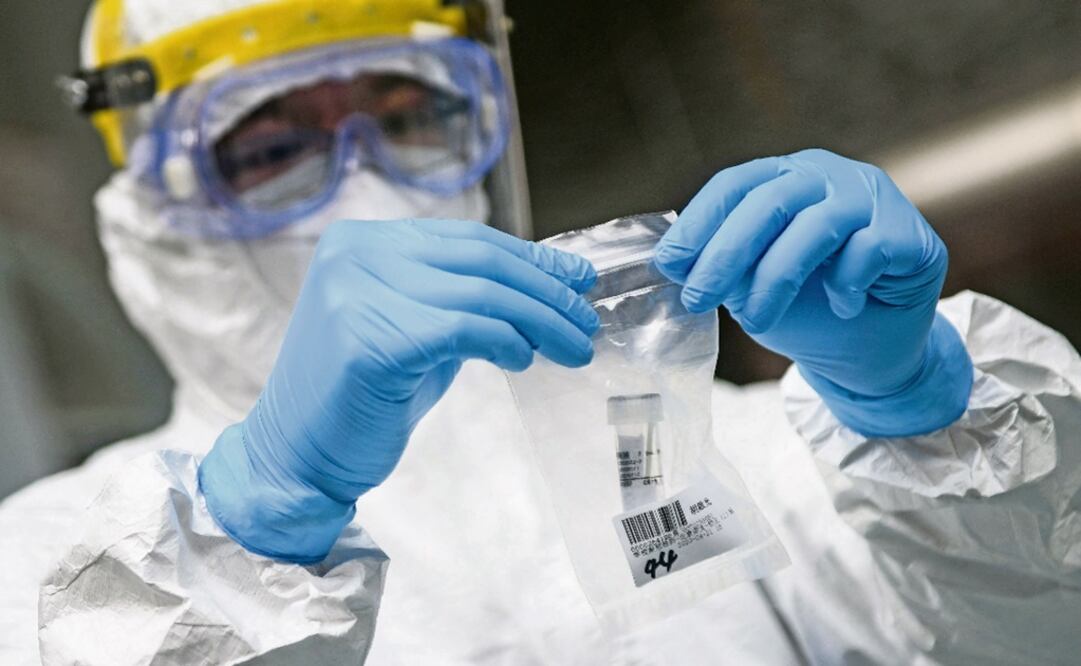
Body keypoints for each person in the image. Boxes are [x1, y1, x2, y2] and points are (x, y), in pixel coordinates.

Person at [1, 0, 1078, 663]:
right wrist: (257, 524)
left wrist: (922, 419)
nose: (363, 181)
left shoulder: (743, 460)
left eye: (411, 113)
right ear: (156, 213)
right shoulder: (66, 566)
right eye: (268, 147)